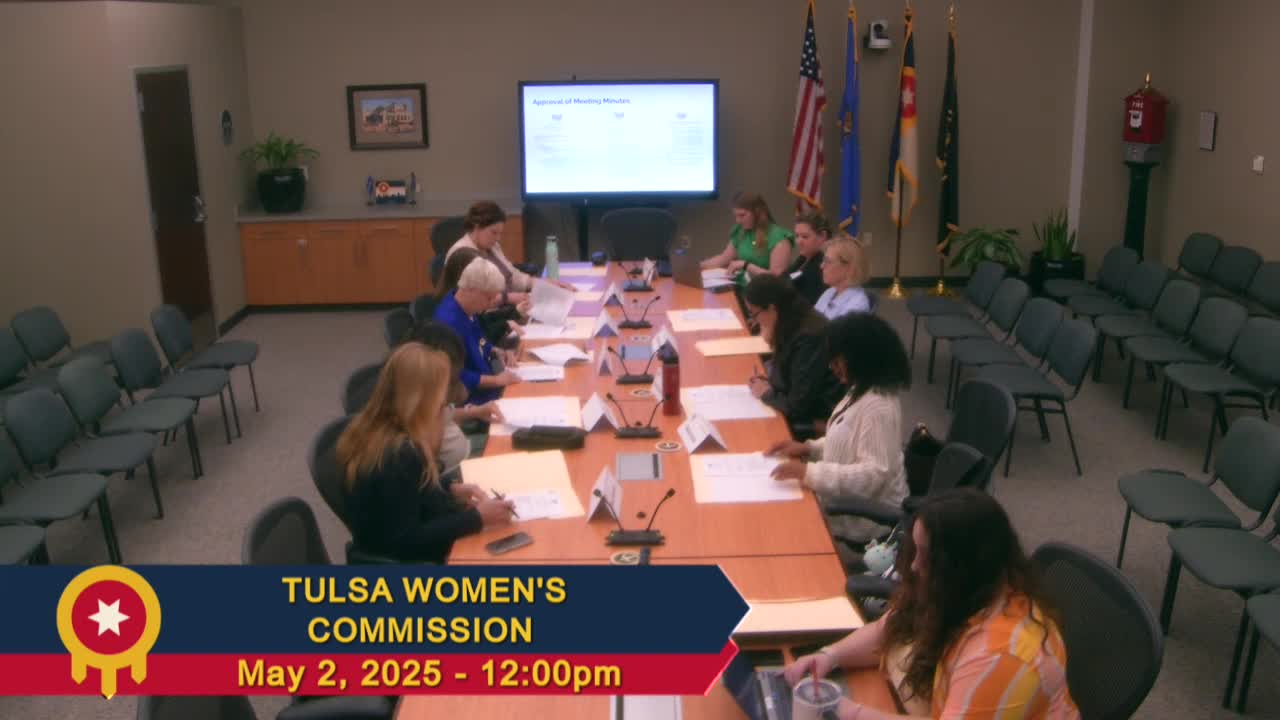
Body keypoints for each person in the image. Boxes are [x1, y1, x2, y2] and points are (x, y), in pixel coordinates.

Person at [782, 489, 1079, 720]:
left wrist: (847, 712)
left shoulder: (1002, 654)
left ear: (962, 568)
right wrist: (829, 656)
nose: (914, 566)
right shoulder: (960, 592)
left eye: (926, 556)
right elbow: (891, 630)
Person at [336, 343, 515, 564]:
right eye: (440, 404)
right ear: (420, 402)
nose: (445, 408)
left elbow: (405, 497)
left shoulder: (376, 427)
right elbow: (407, 539)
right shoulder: (399, 455)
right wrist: (477, 518)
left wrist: (448, 490)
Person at [768, 313, 909, 558]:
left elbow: (873, 475)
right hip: (842, 507)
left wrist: (809, 472)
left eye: (837, 361)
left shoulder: (878, 407)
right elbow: (847, 440)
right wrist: (810, 448)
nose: (832, 368)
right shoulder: (861, 389)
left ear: (861, 358)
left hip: (866, 527)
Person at [743, 274, 843, 435]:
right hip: (802, 405)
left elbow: (797, 406)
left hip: (816, 414)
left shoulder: (809, 337)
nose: (754, 320)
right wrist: (770, 384)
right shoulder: (793, 320)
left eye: (754, 314)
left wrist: (766, 393)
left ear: (772, 308)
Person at [401, 321, 502, 471]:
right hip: (456, 470)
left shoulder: (426, 400)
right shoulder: (410, 434)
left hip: (464, 451)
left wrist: (474, 411)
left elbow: (444, 414)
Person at [445, 200, 574, 304]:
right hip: (488, 315)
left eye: (500, 233)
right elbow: (475, 299)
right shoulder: (462, 254)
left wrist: (544, 283)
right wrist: (510, 298)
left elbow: (513, 277)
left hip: (509, 306)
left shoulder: (491, 246)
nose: (498, 238)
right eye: (494, 232)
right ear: (476, 227)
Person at [432, 257, 522, 405]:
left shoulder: (466, 308)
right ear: (471, 290)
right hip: (472, 400)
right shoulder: (448, 322)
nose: (491, 303)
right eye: (488, 298)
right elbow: (453, 375)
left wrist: (495, 350)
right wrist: (496, 380)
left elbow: (479, 341)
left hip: (487, 386)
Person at [701, 192, 794, 286]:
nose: (738, 221)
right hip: (741, 287)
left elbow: (776, 278)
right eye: (736, 216)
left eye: (742, 215)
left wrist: (746, 265)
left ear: (757, 213)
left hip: (765, 291)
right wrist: (699, 266)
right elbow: (723, 259)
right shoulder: (740, 231)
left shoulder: (778, 237)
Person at [814, 235, 872, 320]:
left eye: (828, 261)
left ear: (849, 268)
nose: (821, 266)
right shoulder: (829, 292)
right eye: (823, 260)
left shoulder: (857, 306)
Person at [788, 211, 832, 305]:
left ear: (823, 236)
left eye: (805, 237)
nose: (798, 242)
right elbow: (783, 280)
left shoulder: (824, 266)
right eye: (797, 236)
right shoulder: (803, 259)